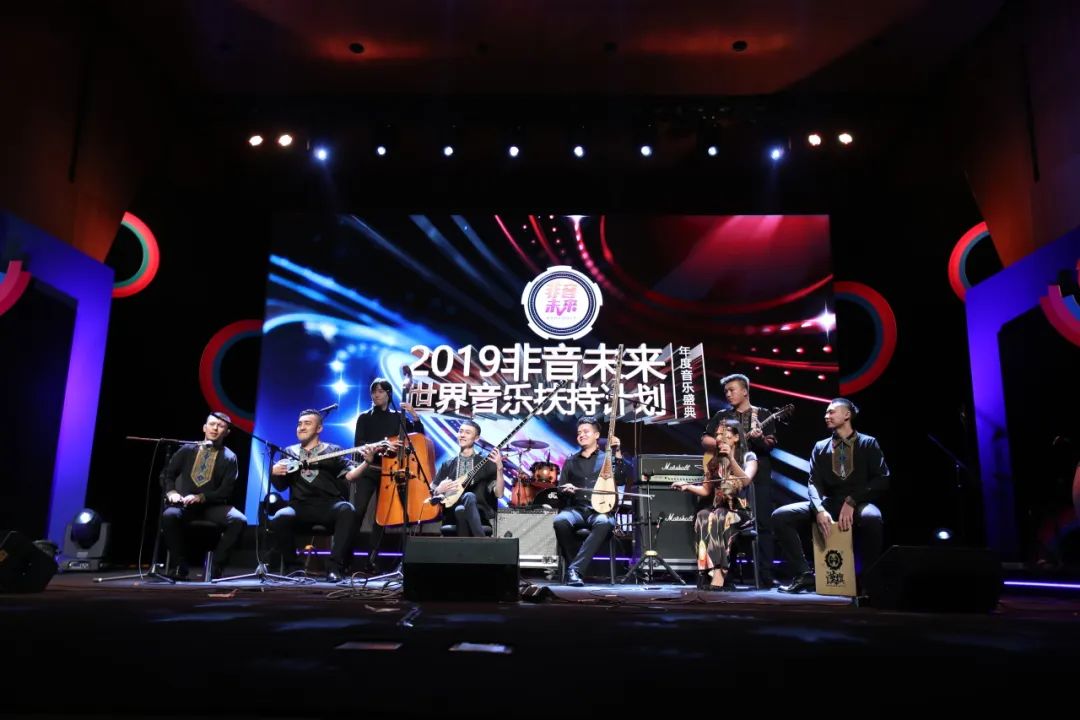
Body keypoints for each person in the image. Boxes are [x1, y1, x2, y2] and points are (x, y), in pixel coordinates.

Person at [772, 398, 889, 593]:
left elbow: (882, 479)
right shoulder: (820, 447)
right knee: (780, 516)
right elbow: (813, 483)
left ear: (847, 415)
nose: (826, 416)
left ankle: (868, 580)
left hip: (858, 501)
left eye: (831, 412)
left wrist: (852, 500)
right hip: (830, 502)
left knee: (873, 517)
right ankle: (804, 574)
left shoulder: (868, 443)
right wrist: (819, 509)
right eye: (826, 412)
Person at [269, 408, 375, 581]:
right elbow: (280, 487)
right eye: (299, 424)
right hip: (299, 507)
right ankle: (293, 567)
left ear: (319, 428)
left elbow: (350, 476)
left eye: (307, 423)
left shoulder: (333, 450)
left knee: (347, 510)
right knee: (280, 516)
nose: (302, 427)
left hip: (329, 506)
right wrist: (272, 472)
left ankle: (334, 567)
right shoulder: (289, 452)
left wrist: (367, 463)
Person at [701, 373, 779, 585]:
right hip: (728, 477)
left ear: (745, 391)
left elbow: (770, 445)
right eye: (726, 391)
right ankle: (728, 573)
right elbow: (705, 438)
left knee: (763, 524)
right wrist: (723, 443)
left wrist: (759, 439)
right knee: (728, 521)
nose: (728, 394)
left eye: (732, 390)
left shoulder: (762, 414)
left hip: (758, 477)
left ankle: (765, 575)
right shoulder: (722, 416)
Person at [160, 412, 247, 580]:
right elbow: (167, 474)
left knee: (239, 520)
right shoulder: (187, 450)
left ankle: (216, 566)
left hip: (212, 506)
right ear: (204, 428)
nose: (215, 428)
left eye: (221, 426)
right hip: (184, 504)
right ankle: (179, 566)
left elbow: (226, 490)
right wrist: (171, 492)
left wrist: (202, 497)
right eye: (212, 424)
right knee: (169, 516)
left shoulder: (230, 457)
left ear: (227, 432)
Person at [674, 419, 757, 590]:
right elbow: (706, 490)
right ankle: (707, 571)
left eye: (723, 434)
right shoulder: (714, 461)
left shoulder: (749, 457)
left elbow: (746, 480)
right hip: (719, 510)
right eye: (717, 434)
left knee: (720, 515)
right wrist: (687, 486)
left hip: (740, 513)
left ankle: (720, 573)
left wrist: (731, 458)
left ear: (736, 437)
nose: (718, 437)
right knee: (703, 515)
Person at [351, 378, 424, 562]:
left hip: (389, 472)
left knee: (381, 516)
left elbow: (418, 437)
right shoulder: (364, 417)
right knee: (358, 511)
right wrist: (383, 445)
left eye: (380, 391)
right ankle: (347, 555)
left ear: (388, 394)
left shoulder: (397, 417)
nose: (376, 395)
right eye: (373, 391)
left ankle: (372, 558)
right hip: (369, 469)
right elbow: (359, 444)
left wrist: (414, 416)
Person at [553, 417, 627, 586]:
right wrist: (565, 489)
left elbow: (621, 479)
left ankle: (574, 570)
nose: (581, 435)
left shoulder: (606, 458)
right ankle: (575, 569)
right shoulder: (570, 461)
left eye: (586, 432)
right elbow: (559, 490)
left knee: (604, 522)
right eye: (579, 432)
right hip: (576, 510)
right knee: (560, 521)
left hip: (599, 510)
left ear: (597, 435)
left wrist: (617, 451)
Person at [430, 420, 504, 536]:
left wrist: (499, 468)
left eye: (467, 432)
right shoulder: (447, 464)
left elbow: (499, 494)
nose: (462, 435)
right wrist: (439, 490)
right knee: (459, 509)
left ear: (476, 438)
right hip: (451, 516)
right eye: (460, 431)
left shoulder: (487, 464)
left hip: (479, 516)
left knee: (469, 497)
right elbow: (432, 496)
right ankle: (481, 539)